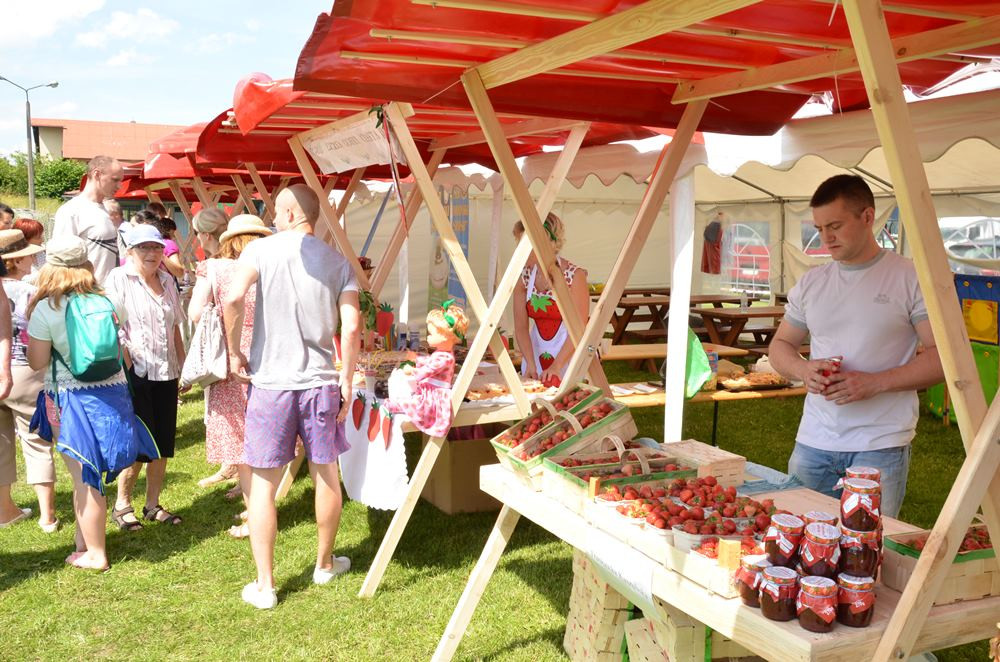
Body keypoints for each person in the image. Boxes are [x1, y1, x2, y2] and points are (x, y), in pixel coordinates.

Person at [768, 174, 945, 518]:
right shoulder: (812, 282)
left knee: (865, 545)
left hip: (880, 444)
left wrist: (874, 383)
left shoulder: (910, 277)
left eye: (835, 226)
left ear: (867, 217)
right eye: (819, 228)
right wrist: (803, 369)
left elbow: (943, 359)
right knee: (800, 538)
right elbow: (780, 346)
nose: (826, 238)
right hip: (813, 440)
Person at [224, 183, 360, 609]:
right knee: (326, 473)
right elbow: (353, 326)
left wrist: (234, 351)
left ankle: (265, 585)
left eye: (274, 212)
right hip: (320, 382)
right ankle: (324, 564)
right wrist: (348, 377)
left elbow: (233, 296)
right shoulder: (338, 261)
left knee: (263, 484)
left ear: (285, 214)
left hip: (271, 385)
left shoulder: (259, 250)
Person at [26, 236, 159, 569]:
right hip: (113, 395)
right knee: (90, 472)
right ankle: (83, 542)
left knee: (84, 476)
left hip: (69, 399)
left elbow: (37, 362)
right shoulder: (109, 300)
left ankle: (96, 553)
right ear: (86, 264)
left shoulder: (47, 308)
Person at [187, 215, 270, 532]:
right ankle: (264, 506)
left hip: (230, 357)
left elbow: (196, 313)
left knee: (241, 442)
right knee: (265, 436)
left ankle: (255, 512)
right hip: (267, 355)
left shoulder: (215, 268)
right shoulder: (269, 268)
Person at [104, 224, 187, 530]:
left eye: (156, 247)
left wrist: (182, 366)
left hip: (166, 371)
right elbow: (112, 327)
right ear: (130, 251)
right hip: (135, 373)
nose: (152, 253)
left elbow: (175, 326)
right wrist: (128, 368)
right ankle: (122, 505)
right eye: (144, 248)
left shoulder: (167, 279)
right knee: (139, 441)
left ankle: (152, 504)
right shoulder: (118, 278)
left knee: (163, 441)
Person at [0, 231, 53, 530]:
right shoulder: (30, 293)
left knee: (1, 442)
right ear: (15, 261)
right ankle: (47, 515)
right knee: (37, 440)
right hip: (24, 369)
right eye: (28, 254)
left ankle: (5, 510)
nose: (33, 258)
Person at [511, 213, 589, 387]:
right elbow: (521, 327)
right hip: (535, 353)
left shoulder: (574, 276)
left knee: (567, 401)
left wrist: (557, 366)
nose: (520, 251)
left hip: (569, 355)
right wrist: (530, 362)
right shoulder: (524, 276)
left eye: (525, 245)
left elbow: (579, 328)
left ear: (545, 243)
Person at [388, 301, 469, 438]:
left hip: (435, 396)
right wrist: (416, 358)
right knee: (413, 397)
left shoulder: (446, 358)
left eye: (431, 334)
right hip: (430, 390)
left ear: (445, 336)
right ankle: (399, 403)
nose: (428, 337)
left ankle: (397, 405)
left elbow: (428, 370)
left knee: (419, 405)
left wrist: (412, 370)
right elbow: (430, 362)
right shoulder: (442, 353)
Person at [52, 155, 123, 283]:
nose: (119, 186)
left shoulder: (106, 209)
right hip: (85, 291)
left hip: (108, 291)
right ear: (97, 175)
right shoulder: (71, 211)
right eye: (115, 180)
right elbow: (61, 261)